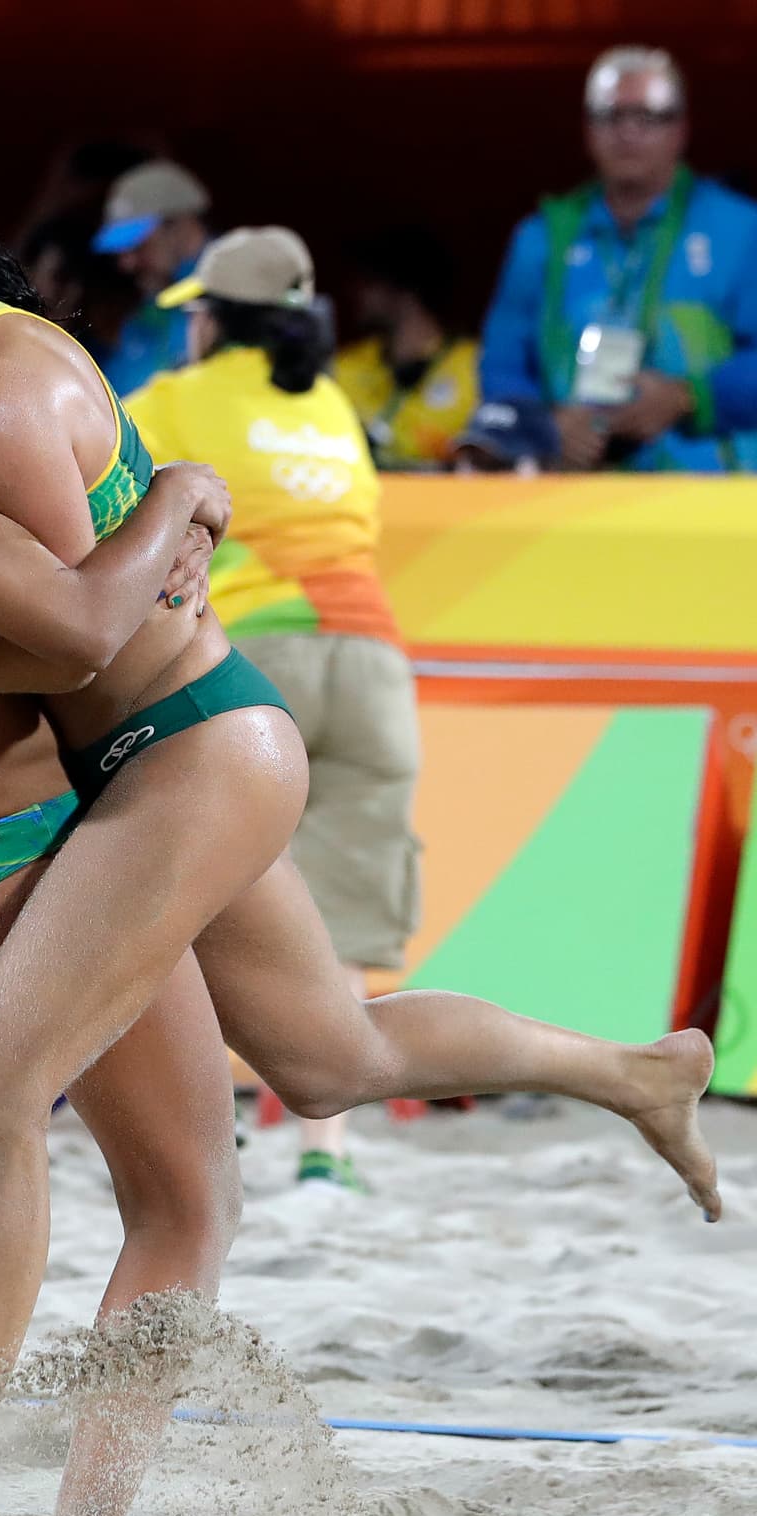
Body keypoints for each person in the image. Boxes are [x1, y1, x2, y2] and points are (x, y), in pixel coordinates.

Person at [0, 117, 718, 1516]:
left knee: (17, 1109)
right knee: (323, 1060)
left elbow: (79, 640)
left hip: (184, 742)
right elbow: (22, 636)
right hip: (76, 774)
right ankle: (631, 1071)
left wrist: (177, 495)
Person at [125, 227, 419, 1190]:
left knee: (209, 890)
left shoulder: (177, 399)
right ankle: (326, 1154)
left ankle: (211, 1119)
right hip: (374, 663)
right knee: (337, 918)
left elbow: (84, 483)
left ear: (212, 319)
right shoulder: (333, 401)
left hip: (257, 658)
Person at [480, 45, 757, 472]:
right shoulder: (542, 238)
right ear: (589, 129)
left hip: (712, 496)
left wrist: (688, 397)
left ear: (680, 129)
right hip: (572, 492)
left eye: (647, 117)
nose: (627, 133)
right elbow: (500, 366)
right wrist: (548, 426)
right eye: (611, 116)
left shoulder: (740, 230)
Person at [335, 226, 479, 470]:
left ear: (405, 287)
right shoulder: (342, 367)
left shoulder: (475, 366)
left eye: (369, 281)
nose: (354, 291)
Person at [90, 159, 211, 395]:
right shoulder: (147, 309)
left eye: (138, 245)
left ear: (179, 226)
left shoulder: (241, 301)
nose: (125, 264)